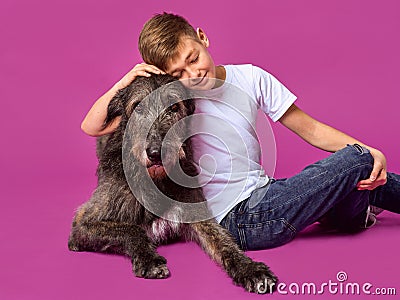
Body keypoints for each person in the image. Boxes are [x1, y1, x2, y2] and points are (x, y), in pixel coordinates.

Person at [81, 13, 400, 250]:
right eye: (177, 73)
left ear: (203, 37)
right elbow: (93, 126)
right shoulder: (171, 102)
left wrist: (372, 157)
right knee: (358, 160)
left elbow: (312, 130)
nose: (193, 74)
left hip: (267, 192)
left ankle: (354, 213)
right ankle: (359, 197)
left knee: (357, 177)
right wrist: (125, 82)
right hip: (239, 219)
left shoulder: (250, 78)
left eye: (193, 59)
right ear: (164, 76)